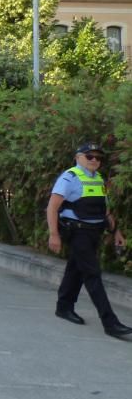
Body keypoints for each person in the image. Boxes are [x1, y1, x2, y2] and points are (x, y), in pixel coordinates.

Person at [47, 143, 132, 338]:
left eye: (98, 157)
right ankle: (110, 323)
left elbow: (105, 210)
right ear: (78, 157)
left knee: (76, 269)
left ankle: (64, 307)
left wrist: (116, 232)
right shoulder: (70, 178)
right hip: (77, 233)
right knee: (92, 274)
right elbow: (52, 207)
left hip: (95, 233)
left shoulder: (98, 179)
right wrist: (54, 234)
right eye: (89, 156)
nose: (94, 160)